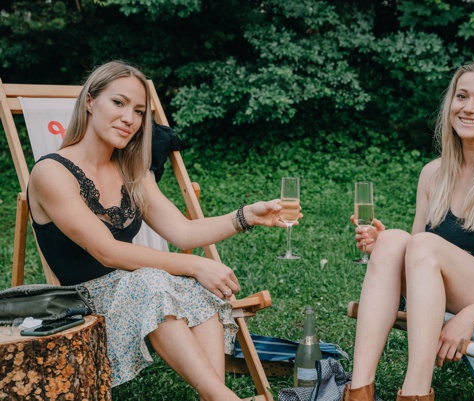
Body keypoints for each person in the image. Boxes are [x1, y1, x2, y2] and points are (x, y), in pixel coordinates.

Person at [27, 60, 291, 401]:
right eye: (118, 103)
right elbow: (108, 251)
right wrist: (196, 264)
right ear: (90, 101)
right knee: (152, 281)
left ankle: (215, 396)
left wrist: (246, 216)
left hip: (136, 289)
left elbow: (182, 231)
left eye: (139, 111)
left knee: (193, 289)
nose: (129, 118)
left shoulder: (131, 170)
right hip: (85, 304)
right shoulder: (51, 172)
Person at [343, 61, 474, 401]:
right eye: (462, 96)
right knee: (394, 240)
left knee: (422, 244)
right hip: (445, 289)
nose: (469, 108)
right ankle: (358, 391)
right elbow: (415, 252)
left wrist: (469, 316)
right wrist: (383, 248)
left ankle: (415, 393)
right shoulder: (433, 174)